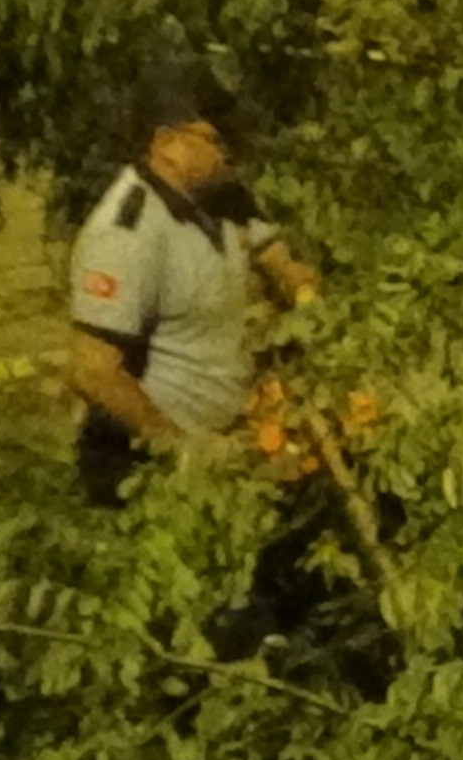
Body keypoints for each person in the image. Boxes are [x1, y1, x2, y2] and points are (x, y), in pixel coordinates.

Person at [65, 51, 318, 504]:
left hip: (225, 454)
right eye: (217, 140)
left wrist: (312, 309)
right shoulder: (128, 233)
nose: (231, 154)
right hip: (145, 470)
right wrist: (183, 448)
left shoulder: (223, 200)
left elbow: (284, 266)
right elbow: (94, 370)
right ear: (168, 144)